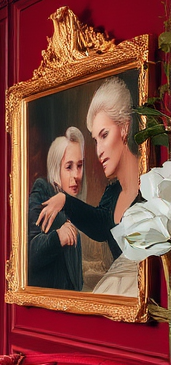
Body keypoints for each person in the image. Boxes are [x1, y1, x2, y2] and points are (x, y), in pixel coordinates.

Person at [35, 77, 141, 296]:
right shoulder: (112, 193)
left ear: (124, 128)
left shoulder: (154, 184)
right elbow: (100, 227)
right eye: (95, 140)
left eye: (104, 135)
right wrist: (65, 200)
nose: (99, 149)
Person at [27, 127, 84, 290]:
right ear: (55, 168)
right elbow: (29, 255)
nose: (76, 175)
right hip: (45, 305)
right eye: (68, 167)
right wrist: (57, 238)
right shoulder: (43, 190)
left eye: (79, 166)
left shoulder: (70, 203)